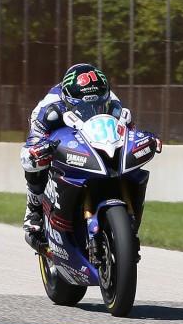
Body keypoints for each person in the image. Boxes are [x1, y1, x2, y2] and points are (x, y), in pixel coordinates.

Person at [21, 63, 135, 242]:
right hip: (62, 133)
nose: (92, 109)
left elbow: (128, 131)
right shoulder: (49, 109)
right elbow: (28, 153)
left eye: (98, 104)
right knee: (35, 162)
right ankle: (33, 208)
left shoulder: (113, 102)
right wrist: (38, 150)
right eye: (85, 107)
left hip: (94, 139)